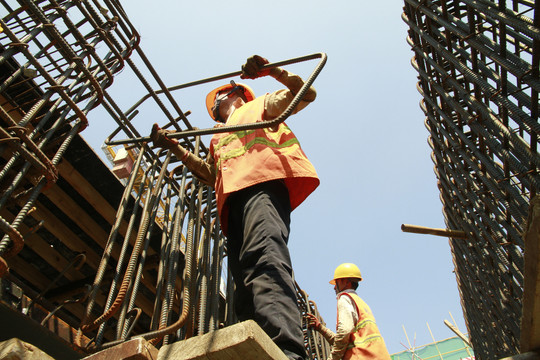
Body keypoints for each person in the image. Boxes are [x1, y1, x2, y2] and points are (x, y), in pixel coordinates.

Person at [150, 55, 319, 360]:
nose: (213, 107)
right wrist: (175, 148)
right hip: (235, 201)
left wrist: (271, 71)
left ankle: (288, 351)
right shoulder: (219, 136)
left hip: (262, 186)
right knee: (242, 278)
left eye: (216, 99)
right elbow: (212, 174)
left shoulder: (261, 106)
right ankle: (257, 345)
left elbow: (305, 92)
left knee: (265, 259)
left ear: (236, 93)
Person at [306, 263, 391, 360]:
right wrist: (320, 328)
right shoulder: (361, 303)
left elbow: (344, 332)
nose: (334, 287)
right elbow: (346, 342)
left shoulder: (345, 298)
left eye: (336, 282)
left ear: (346, 281)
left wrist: (332, 358)